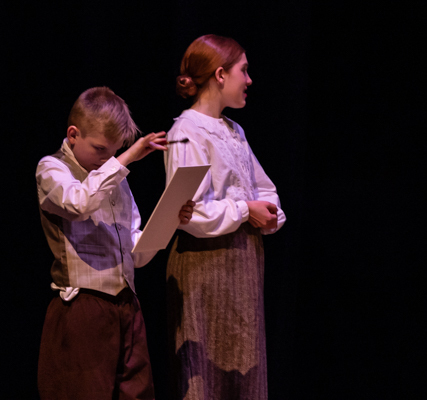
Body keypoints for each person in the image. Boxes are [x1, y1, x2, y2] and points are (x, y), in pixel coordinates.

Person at [36, 86, 195, 400]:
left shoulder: (112, 175)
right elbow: (77, 204)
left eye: (113, 151)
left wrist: (170, 220)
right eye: (99, 149)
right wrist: (127, 157)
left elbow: (134, 253)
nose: (106, 159)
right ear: (73, 135)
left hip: (126, 305)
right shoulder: (51, 169)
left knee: (138, 393)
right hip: (83, 307)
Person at [164, 34, 286, 400]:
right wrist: (243, 210)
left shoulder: (235, 131)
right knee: (207, 383)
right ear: (220, 74)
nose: (249, 80)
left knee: (245, 379)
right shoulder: (186, 132)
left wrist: (267, 213)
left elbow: (265, 188)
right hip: (205, 268)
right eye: (243, 71)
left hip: (243, 266)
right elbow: (188, 212)